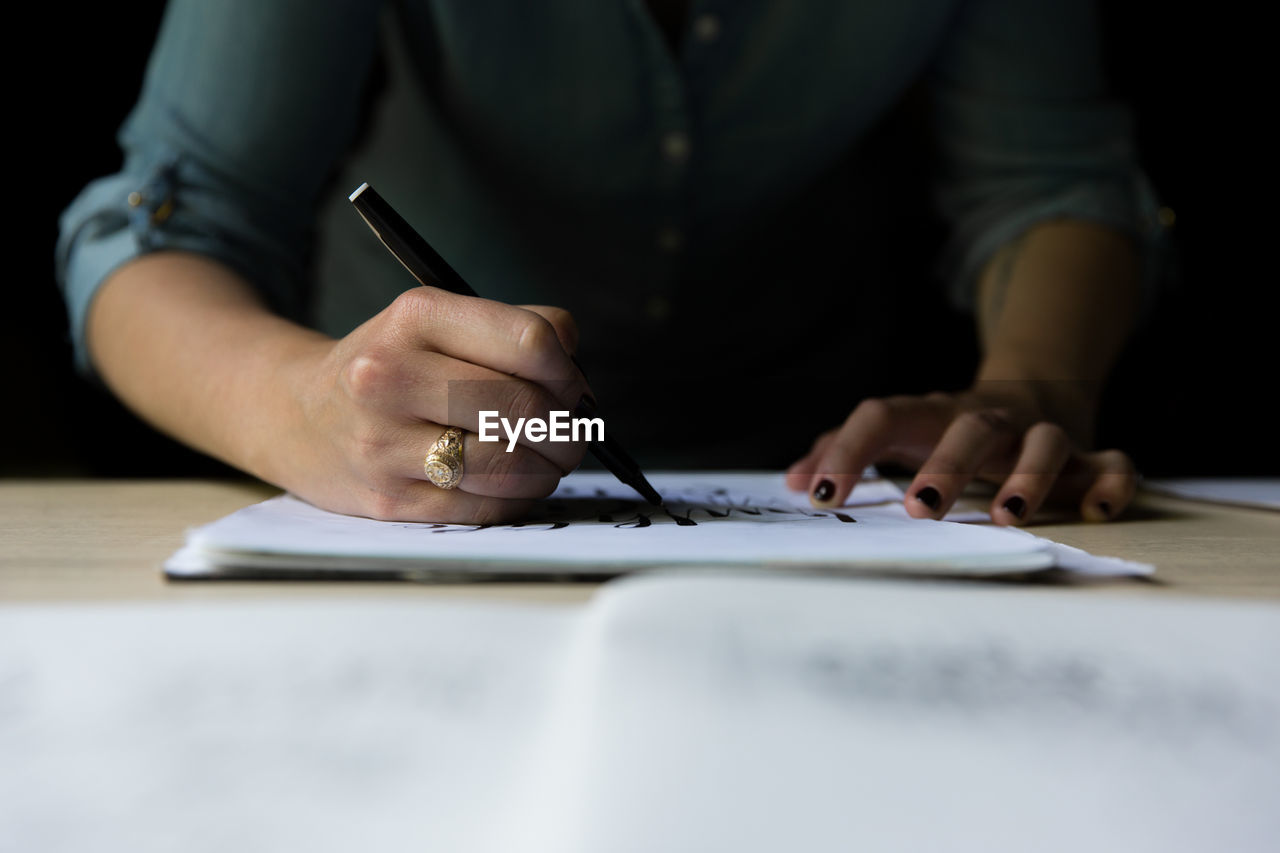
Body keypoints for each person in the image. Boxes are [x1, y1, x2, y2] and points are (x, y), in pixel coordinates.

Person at [56, 0, 1164, 525]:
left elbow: (1049, 181)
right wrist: (300, 404)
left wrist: (1030, 384)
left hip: (848, 495)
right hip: (401, 485)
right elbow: (165, 228)